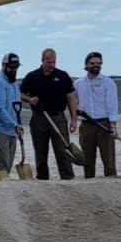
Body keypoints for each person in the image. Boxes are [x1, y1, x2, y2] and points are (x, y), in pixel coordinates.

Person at [20, 48, 79, 181]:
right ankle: (42, 180)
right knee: (40, 152)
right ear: (42, 61)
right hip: (39, 118)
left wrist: (74, 119)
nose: (52, 65)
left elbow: (70, 97)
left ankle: (68, 179)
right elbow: (21, 94)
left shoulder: (62, 76)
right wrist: (30, 99)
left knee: (63, 150)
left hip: (58, 117)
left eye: (53, 62)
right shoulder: (32, 76)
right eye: (49, 62)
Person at [73, 52, 119, 178]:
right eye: (92, 63)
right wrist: (73, 117)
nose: (96, 66)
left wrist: (113, 126)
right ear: (86, 65)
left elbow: (112, 105)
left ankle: (112, 187)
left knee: (109, 161)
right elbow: (72, 102)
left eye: (99, 64)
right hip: (86, 125)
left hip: (104, 124)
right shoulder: (78, 84)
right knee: (87, 161)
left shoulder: (108, 82)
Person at [0, 52, 24, 176]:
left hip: (13, 131)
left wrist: (18, 125)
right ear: (4, 65)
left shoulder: (14, 84)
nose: (14, 70)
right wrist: (14, 124)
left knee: (7, 167)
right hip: (0, 132)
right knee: (1, 167)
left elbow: (16, 107)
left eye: (16, 67)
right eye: (11, 67)